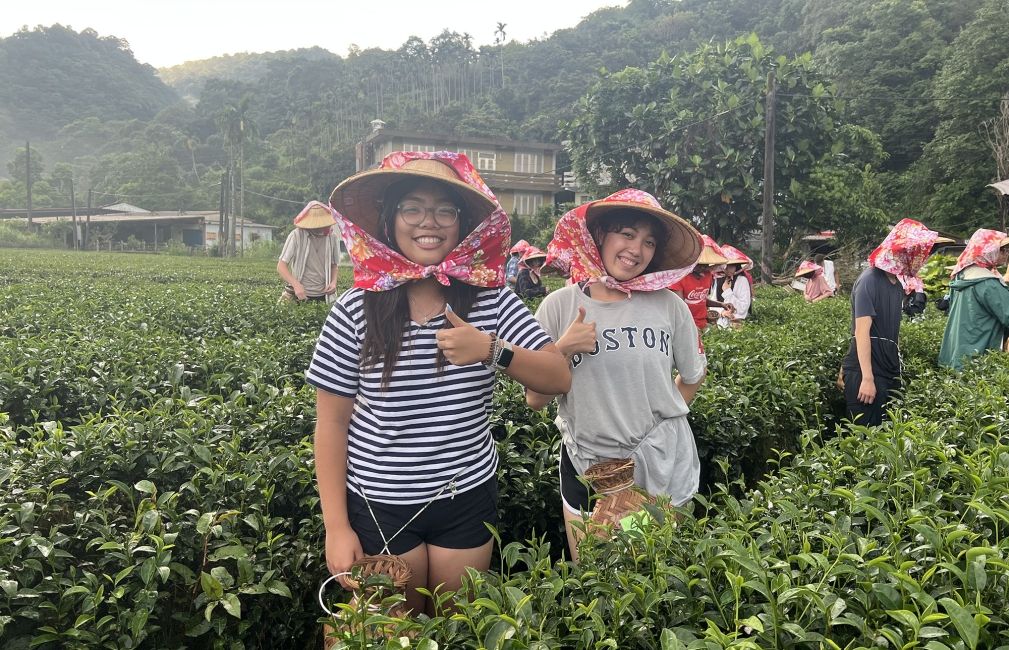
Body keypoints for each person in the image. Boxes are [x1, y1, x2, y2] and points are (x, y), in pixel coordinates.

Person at [308, 151, 570, 616]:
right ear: (390, 220)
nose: (428, 222)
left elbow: (557, 376)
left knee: (456, 624)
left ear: (462, 224)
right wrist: (335, 526)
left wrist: (491, 349)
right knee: (396, 632)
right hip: (378, 501)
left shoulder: (491, 299)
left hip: (465, 496)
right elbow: (331, 424)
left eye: (444, 210)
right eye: (412, 207)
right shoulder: (354, 309)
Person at [526, 188, 706, 561]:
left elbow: (692, 375)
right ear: (601, 236)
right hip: (590, 470)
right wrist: (562, 350)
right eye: (627, 234)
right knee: (594, 580)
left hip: (659, 466)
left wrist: (658, 429)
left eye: (649, 242)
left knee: (656, 579)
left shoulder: (669, 306)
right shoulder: (559, 307)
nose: (636, 250)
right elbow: (535, 399)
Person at [840, 219, 944, 426]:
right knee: (865, 439)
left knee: (885, 436)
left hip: (888, 369)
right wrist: (867, 378)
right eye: (915, 250)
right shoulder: (869, 280)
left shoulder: (897, 285)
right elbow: (861, 331)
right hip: (868, 373)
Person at [938, 229, 1009, 370]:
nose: (1006, 254)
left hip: (955, 353)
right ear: (989, 251)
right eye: (1003, 250)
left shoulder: (961, 276)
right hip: (978, 356)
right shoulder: (989, 283)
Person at [277, 201, 342, 303]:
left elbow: (334, 265)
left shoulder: (332, 237)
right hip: (300, 294)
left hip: (324, 295)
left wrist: (333, 283)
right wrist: (296, 285)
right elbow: (281, 266)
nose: (319, 228)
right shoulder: (296, 236)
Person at [669, 235, 732, 331]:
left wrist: (721, 304)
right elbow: (679, 308)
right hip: (687, 326)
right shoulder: (680, 278)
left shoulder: (708, 275)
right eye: (700, 265)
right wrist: (690, 328)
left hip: (703, 324)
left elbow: (700, 299)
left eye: (706, 265)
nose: (703, 268)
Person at [715, 244, 753, 326]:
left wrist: (727, 291)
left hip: (738, 324)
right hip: (719, 324)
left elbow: (743, 307)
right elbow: (712, 302)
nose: (729, 269)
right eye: (726, 266)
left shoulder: (742, 280)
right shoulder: (717, 279)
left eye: (732, 265)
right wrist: (722, 312)